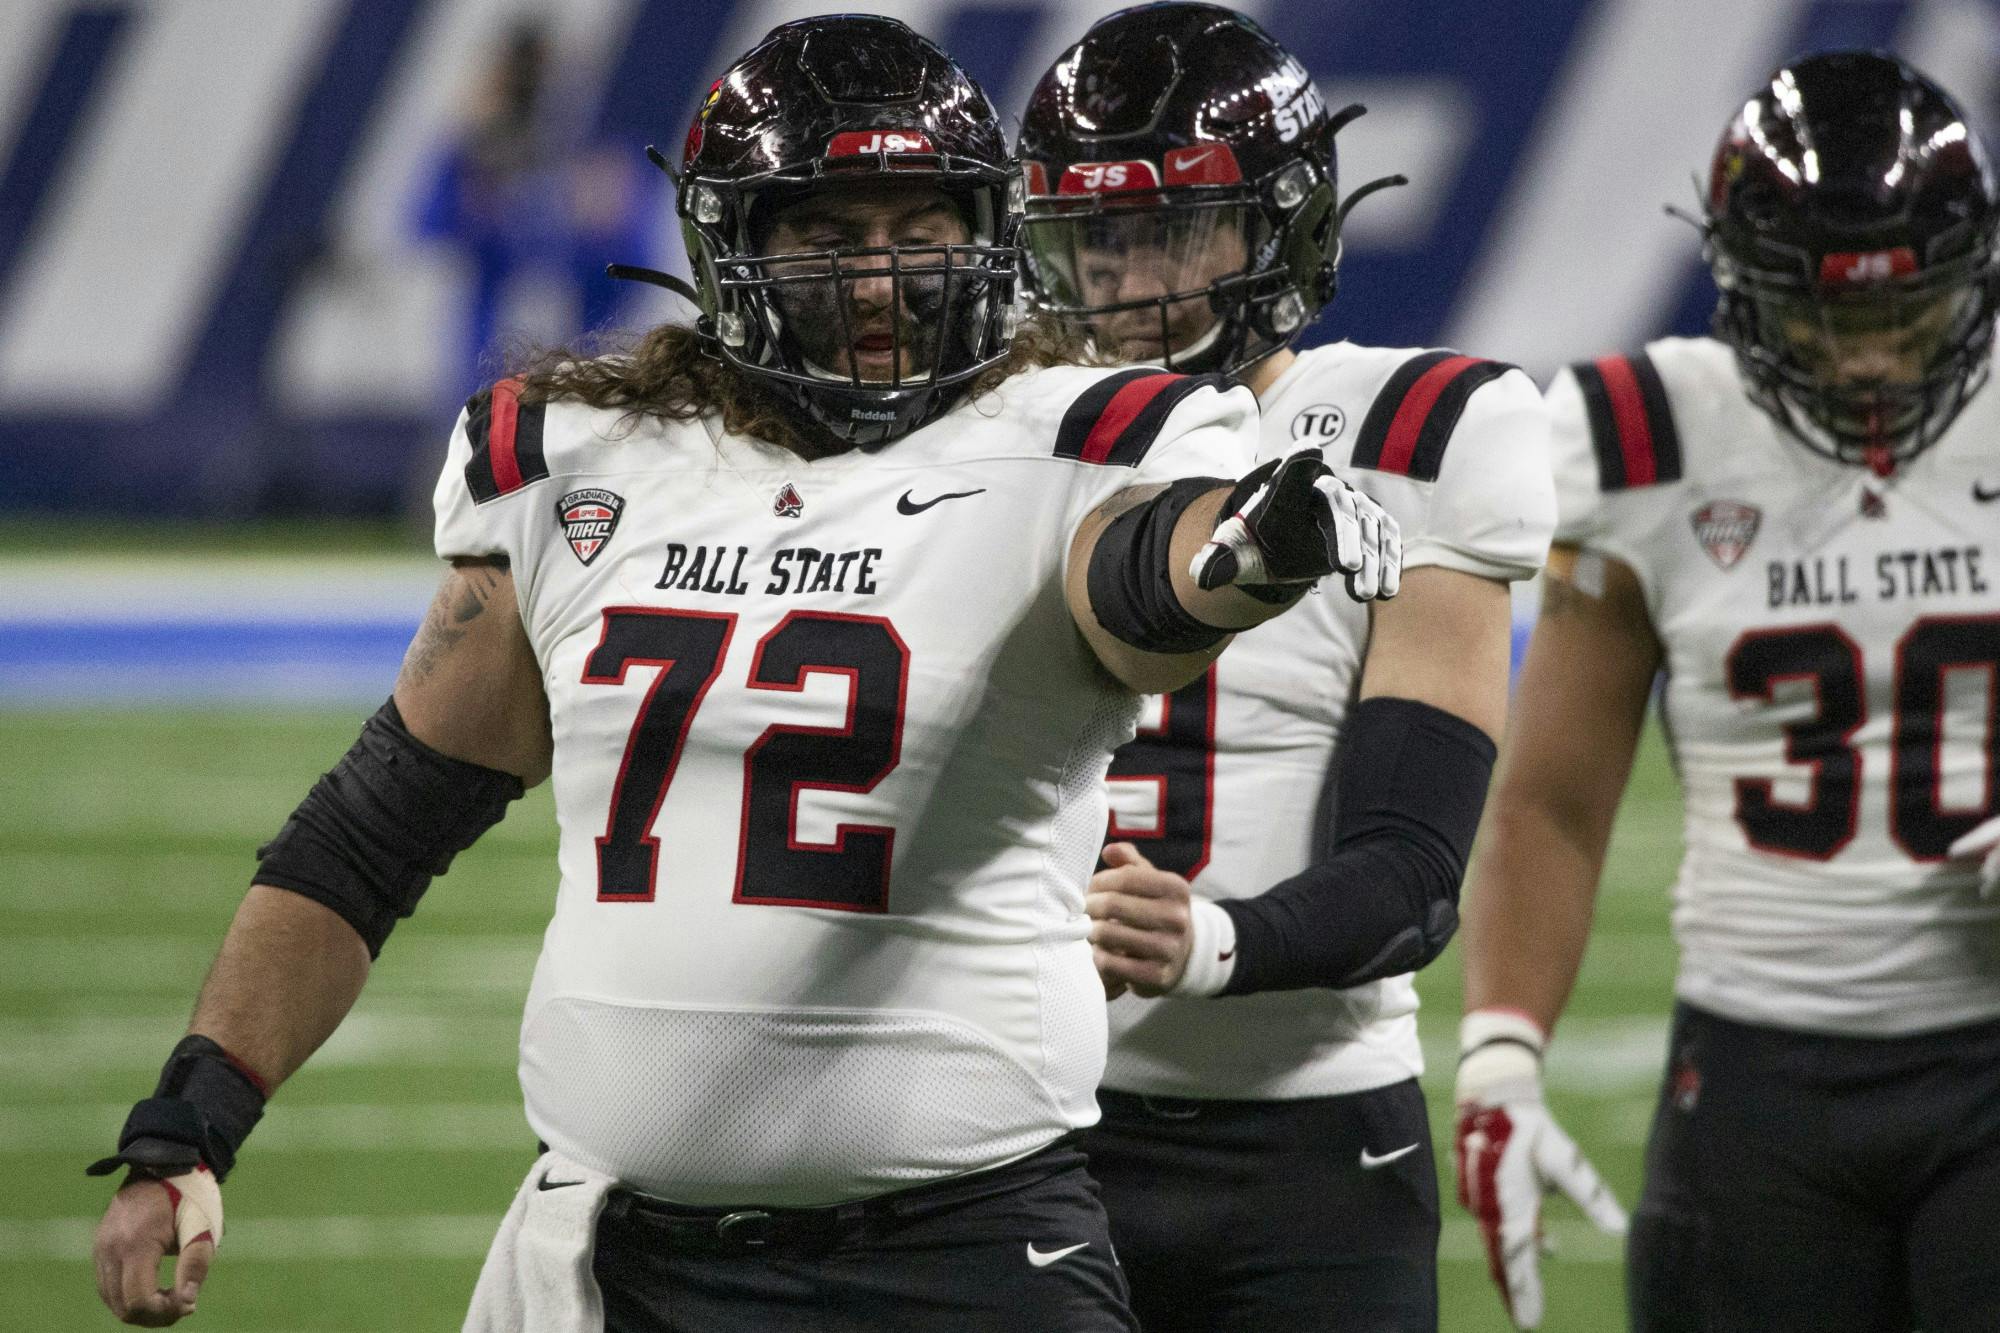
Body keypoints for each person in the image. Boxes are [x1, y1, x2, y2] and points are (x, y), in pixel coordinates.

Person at [84, 16, 1405, 1332]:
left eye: (920, 227)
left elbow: (1145, 587)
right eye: (831, 236)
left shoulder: (1070, 438)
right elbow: (371, 835)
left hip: (963, 1262)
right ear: (736, 247)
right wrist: (193, 1119)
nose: (883, 278)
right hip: (621, 1264)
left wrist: (1248, 553)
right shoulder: (587, 466)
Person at [1014, 6, 1556, 1329]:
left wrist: (1207, 940)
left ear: (1278, 226)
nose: (1132, 279)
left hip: (1311, 1148)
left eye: (1175, 230)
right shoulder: (1001, 437)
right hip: (1022, 1134)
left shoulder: (1419, 427)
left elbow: (1414, 873)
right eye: (1102, 237)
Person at [1455, 50, 2000, 1333]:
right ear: (1743, 293)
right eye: (1825, 319)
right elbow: (1554, 801)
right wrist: (1498, 1044)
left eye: (1900, 316)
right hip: (1757, 1072)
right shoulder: (1648, 433)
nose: (1867, 363)